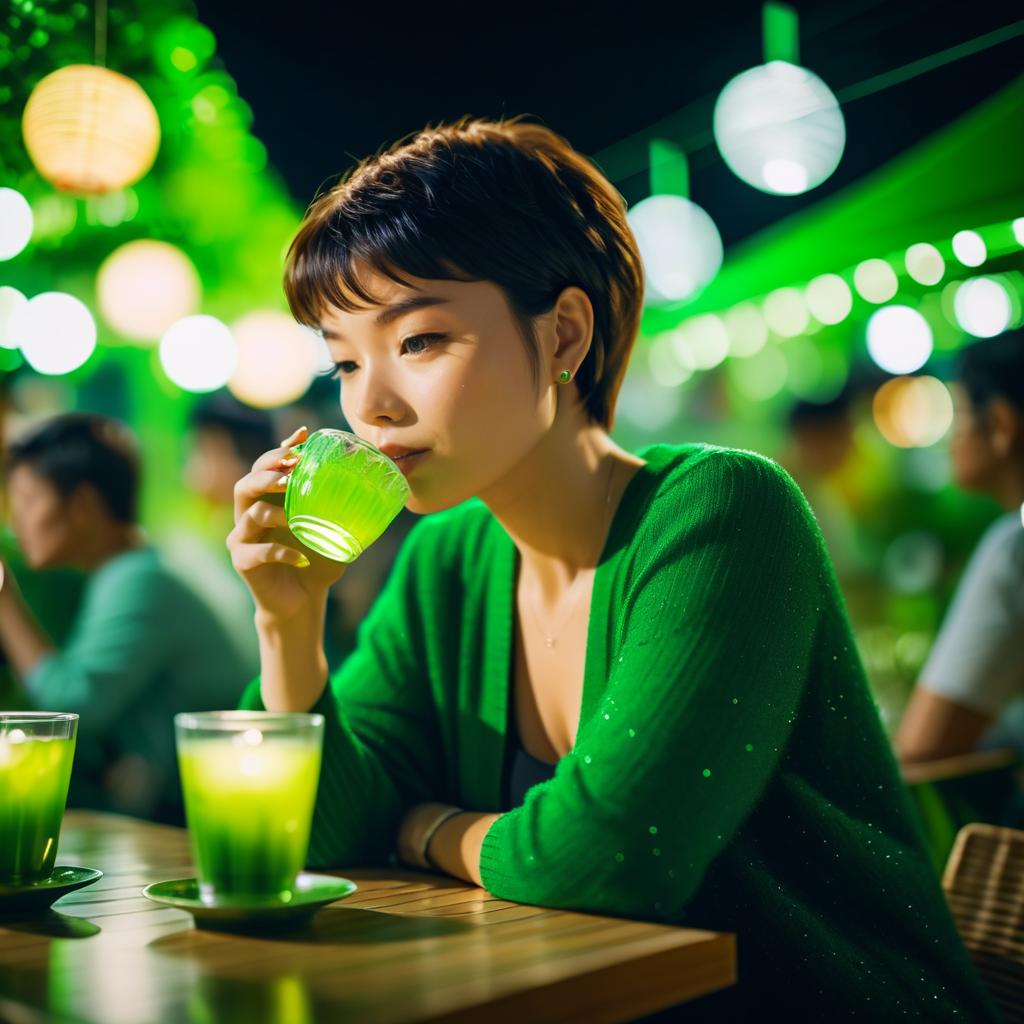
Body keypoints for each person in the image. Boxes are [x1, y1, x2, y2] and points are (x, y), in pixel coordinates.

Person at [227, 117, 997, 1019]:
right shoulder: (449, 559)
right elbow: (314, 835)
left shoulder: (721, 511)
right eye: (345, 361)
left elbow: (607, 861)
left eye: (420, 342)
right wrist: (287, 621)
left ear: (561, 336)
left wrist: (425, 828)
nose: (372, 405)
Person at [0, 413, 256, 821]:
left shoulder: (138, 581)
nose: (17, 524)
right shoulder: (137, 570)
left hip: (218, 808)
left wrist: (3, 597)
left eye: (29, 501)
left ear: (82, 505)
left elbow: (72, 706)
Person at [897, 329, 1024, 764]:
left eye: (959, 414)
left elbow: (923, 745)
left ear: (1002, 425)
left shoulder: (1014, 548)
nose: (950, 437)